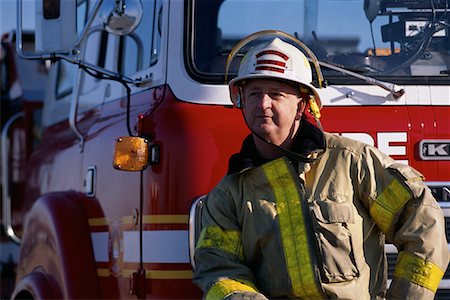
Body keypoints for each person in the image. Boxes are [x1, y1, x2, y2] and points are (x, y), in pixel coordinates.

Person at [192, 35, 449, 300]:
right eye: (254, 94)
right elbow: (219, 271)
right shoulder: (229, 195)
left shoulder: (352, 163)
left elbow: (422, 223)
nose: (263, 104)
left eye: (276, 94)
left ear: (302, 105)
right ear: (241, 100)